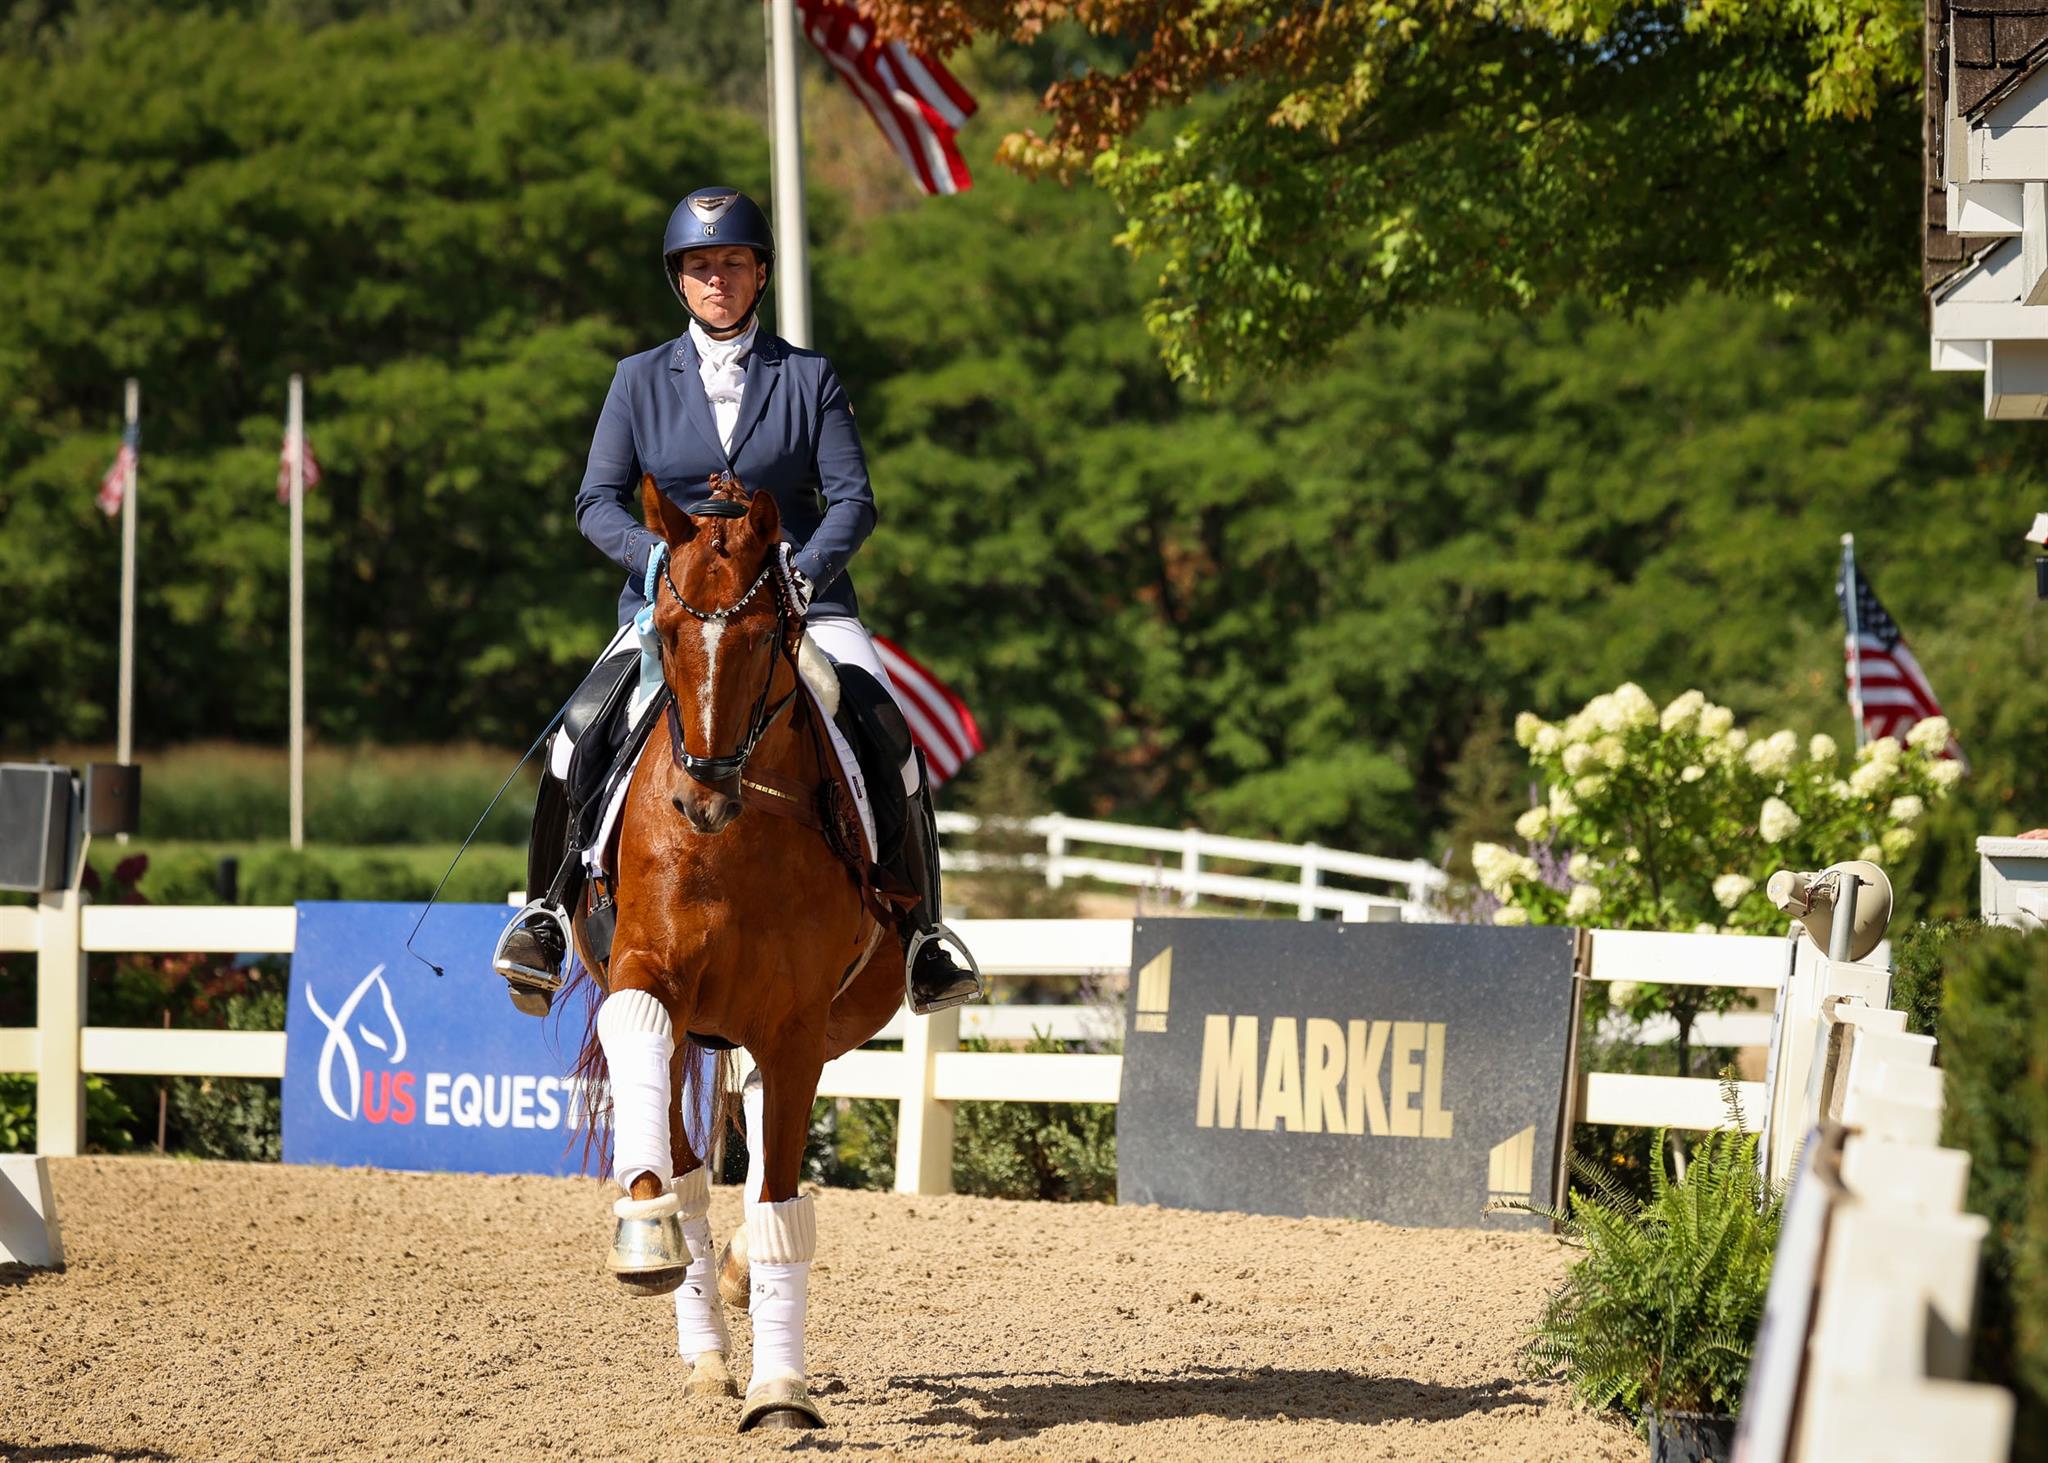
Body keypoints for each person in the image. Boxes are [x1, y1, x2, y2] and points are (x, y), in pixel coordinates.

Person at [492, 185, 979, 1017]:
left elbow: (853, 501)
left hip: (800, 601)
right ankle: (545, 914)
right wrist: (656, 563)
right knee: (578, 732)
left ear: (760, 274)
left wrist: (804, 571)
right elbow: (595, 502)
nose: (715, 279)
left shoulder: (809, 377)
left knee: (888, 729)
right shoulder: (637, 379)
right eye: (700, 266)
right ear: (678, 280)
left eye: (731, 263)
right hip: (675, 607)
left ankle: (923, 933)